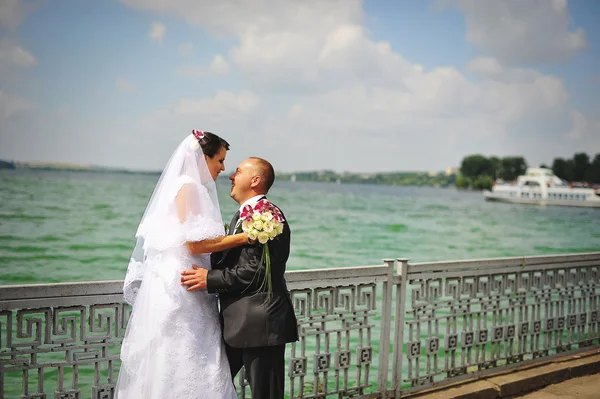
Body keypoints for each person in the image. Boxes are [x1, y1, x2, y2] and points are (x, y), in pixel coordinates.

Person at [115, 130, 249, 399]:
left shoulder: (188, 186)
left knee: (188, 350)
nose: (223, 168)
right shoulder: (189, 187)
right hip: (185, 284)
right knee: (185, 349)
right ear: (202, 158)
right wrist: (242, 238)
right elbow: (193, 245)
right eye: (220, 160)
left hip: (193, 281)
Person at [181, 157, 299, 399]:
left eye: (238, 171)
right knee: (215, 387)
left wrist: (209, 279)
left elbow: (258, 270)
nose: (231, 176)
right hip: (237, 322)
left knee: (265, 394)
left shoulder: (268, 215)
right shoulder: (245, 214)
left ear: (255, 180)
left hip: (261, 323)